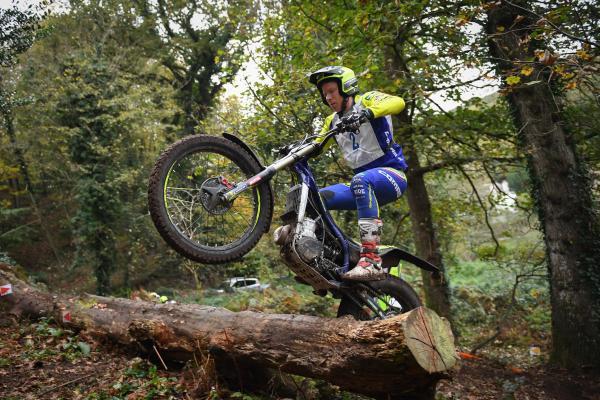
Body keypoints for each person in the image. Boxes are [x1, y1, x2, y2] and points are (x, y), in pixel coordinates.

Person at [308, 65, 407, 281]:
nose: (328, 98)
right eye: (325, 94)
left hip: (393, 176)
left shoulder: (368, 99)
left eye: (332, 91)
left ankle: (371, 259)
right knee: (315, 199)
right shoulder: (331, 120)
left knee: (360, 180)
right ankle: (330, 259)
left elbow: (398, 102)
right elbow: (315, 145)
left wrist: (368, 113)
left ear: (346, 88)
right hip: (360, 186)